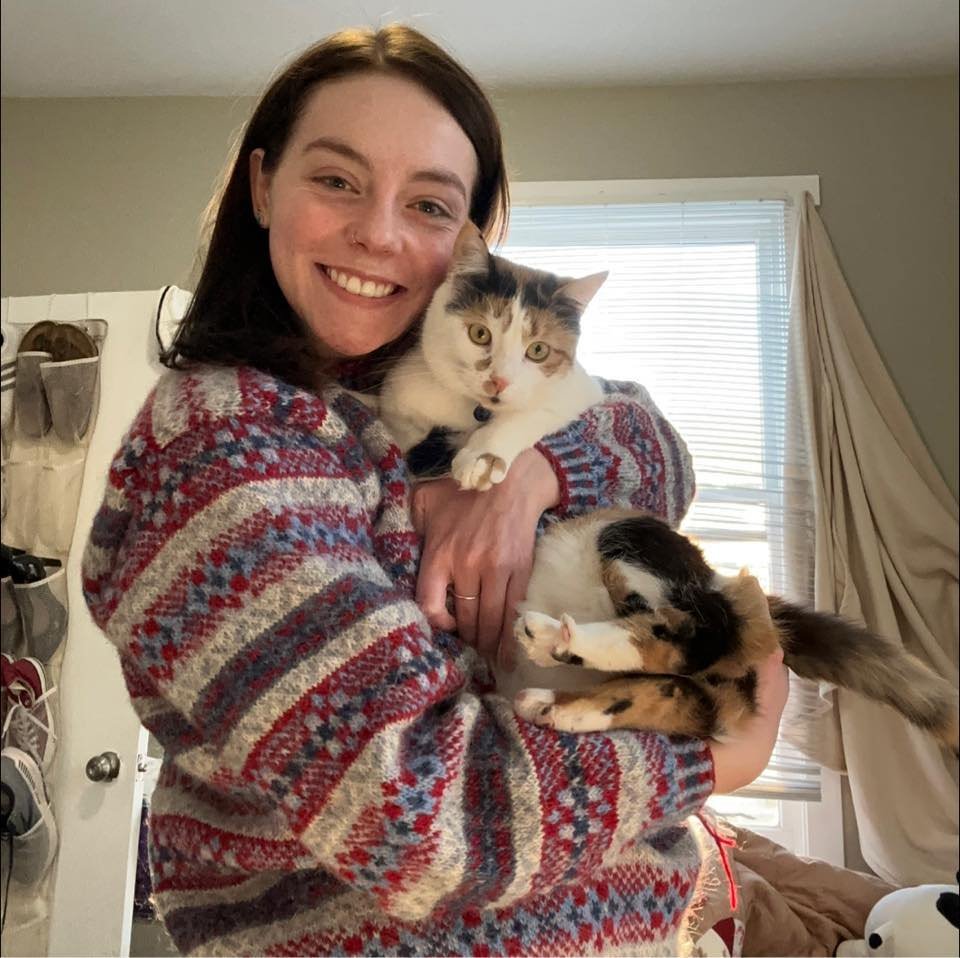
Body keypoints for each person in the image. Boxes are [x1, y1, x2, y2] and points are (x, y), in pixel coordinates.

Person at [81, 25, 788, 957]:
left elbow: (654, 442)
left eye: (428, 204)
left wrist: (528, 478)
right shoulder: (227, 441)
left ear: (470, 240)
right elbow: (425, 823)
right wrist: (704, 752)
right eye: (336, 180)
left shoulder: (404, 390)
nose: (378, 233)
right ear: (261, 185)